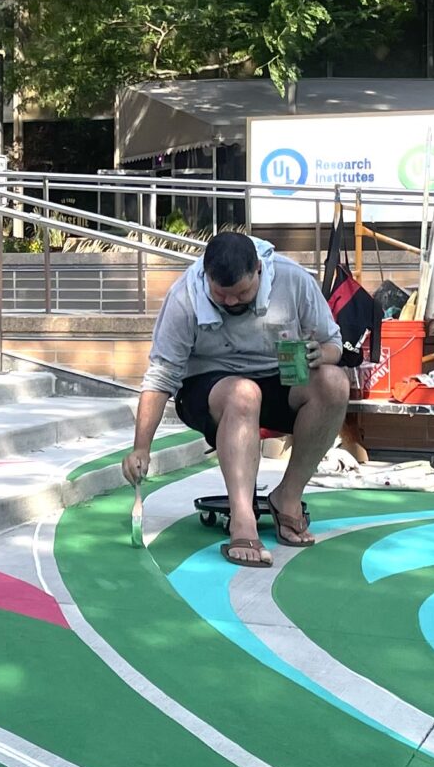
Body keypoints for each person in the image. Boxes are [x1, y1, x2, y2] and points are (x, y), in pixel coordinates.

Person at [121, 229, 352, 567]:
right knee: (245, 393)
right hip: (210, 388)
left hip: (279, 378)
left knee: (334, 381)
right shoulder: (185, 295)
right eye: (221, 294)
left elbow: (334, 343)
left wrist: (322, 354)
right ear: (206, 276)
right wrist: (141, 447)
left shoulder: (293, 279)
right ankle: (243, 522)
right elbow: (160, 376)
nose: (231, 302)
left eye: (241, 293)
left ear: (258, 269)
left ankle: (288, 497)